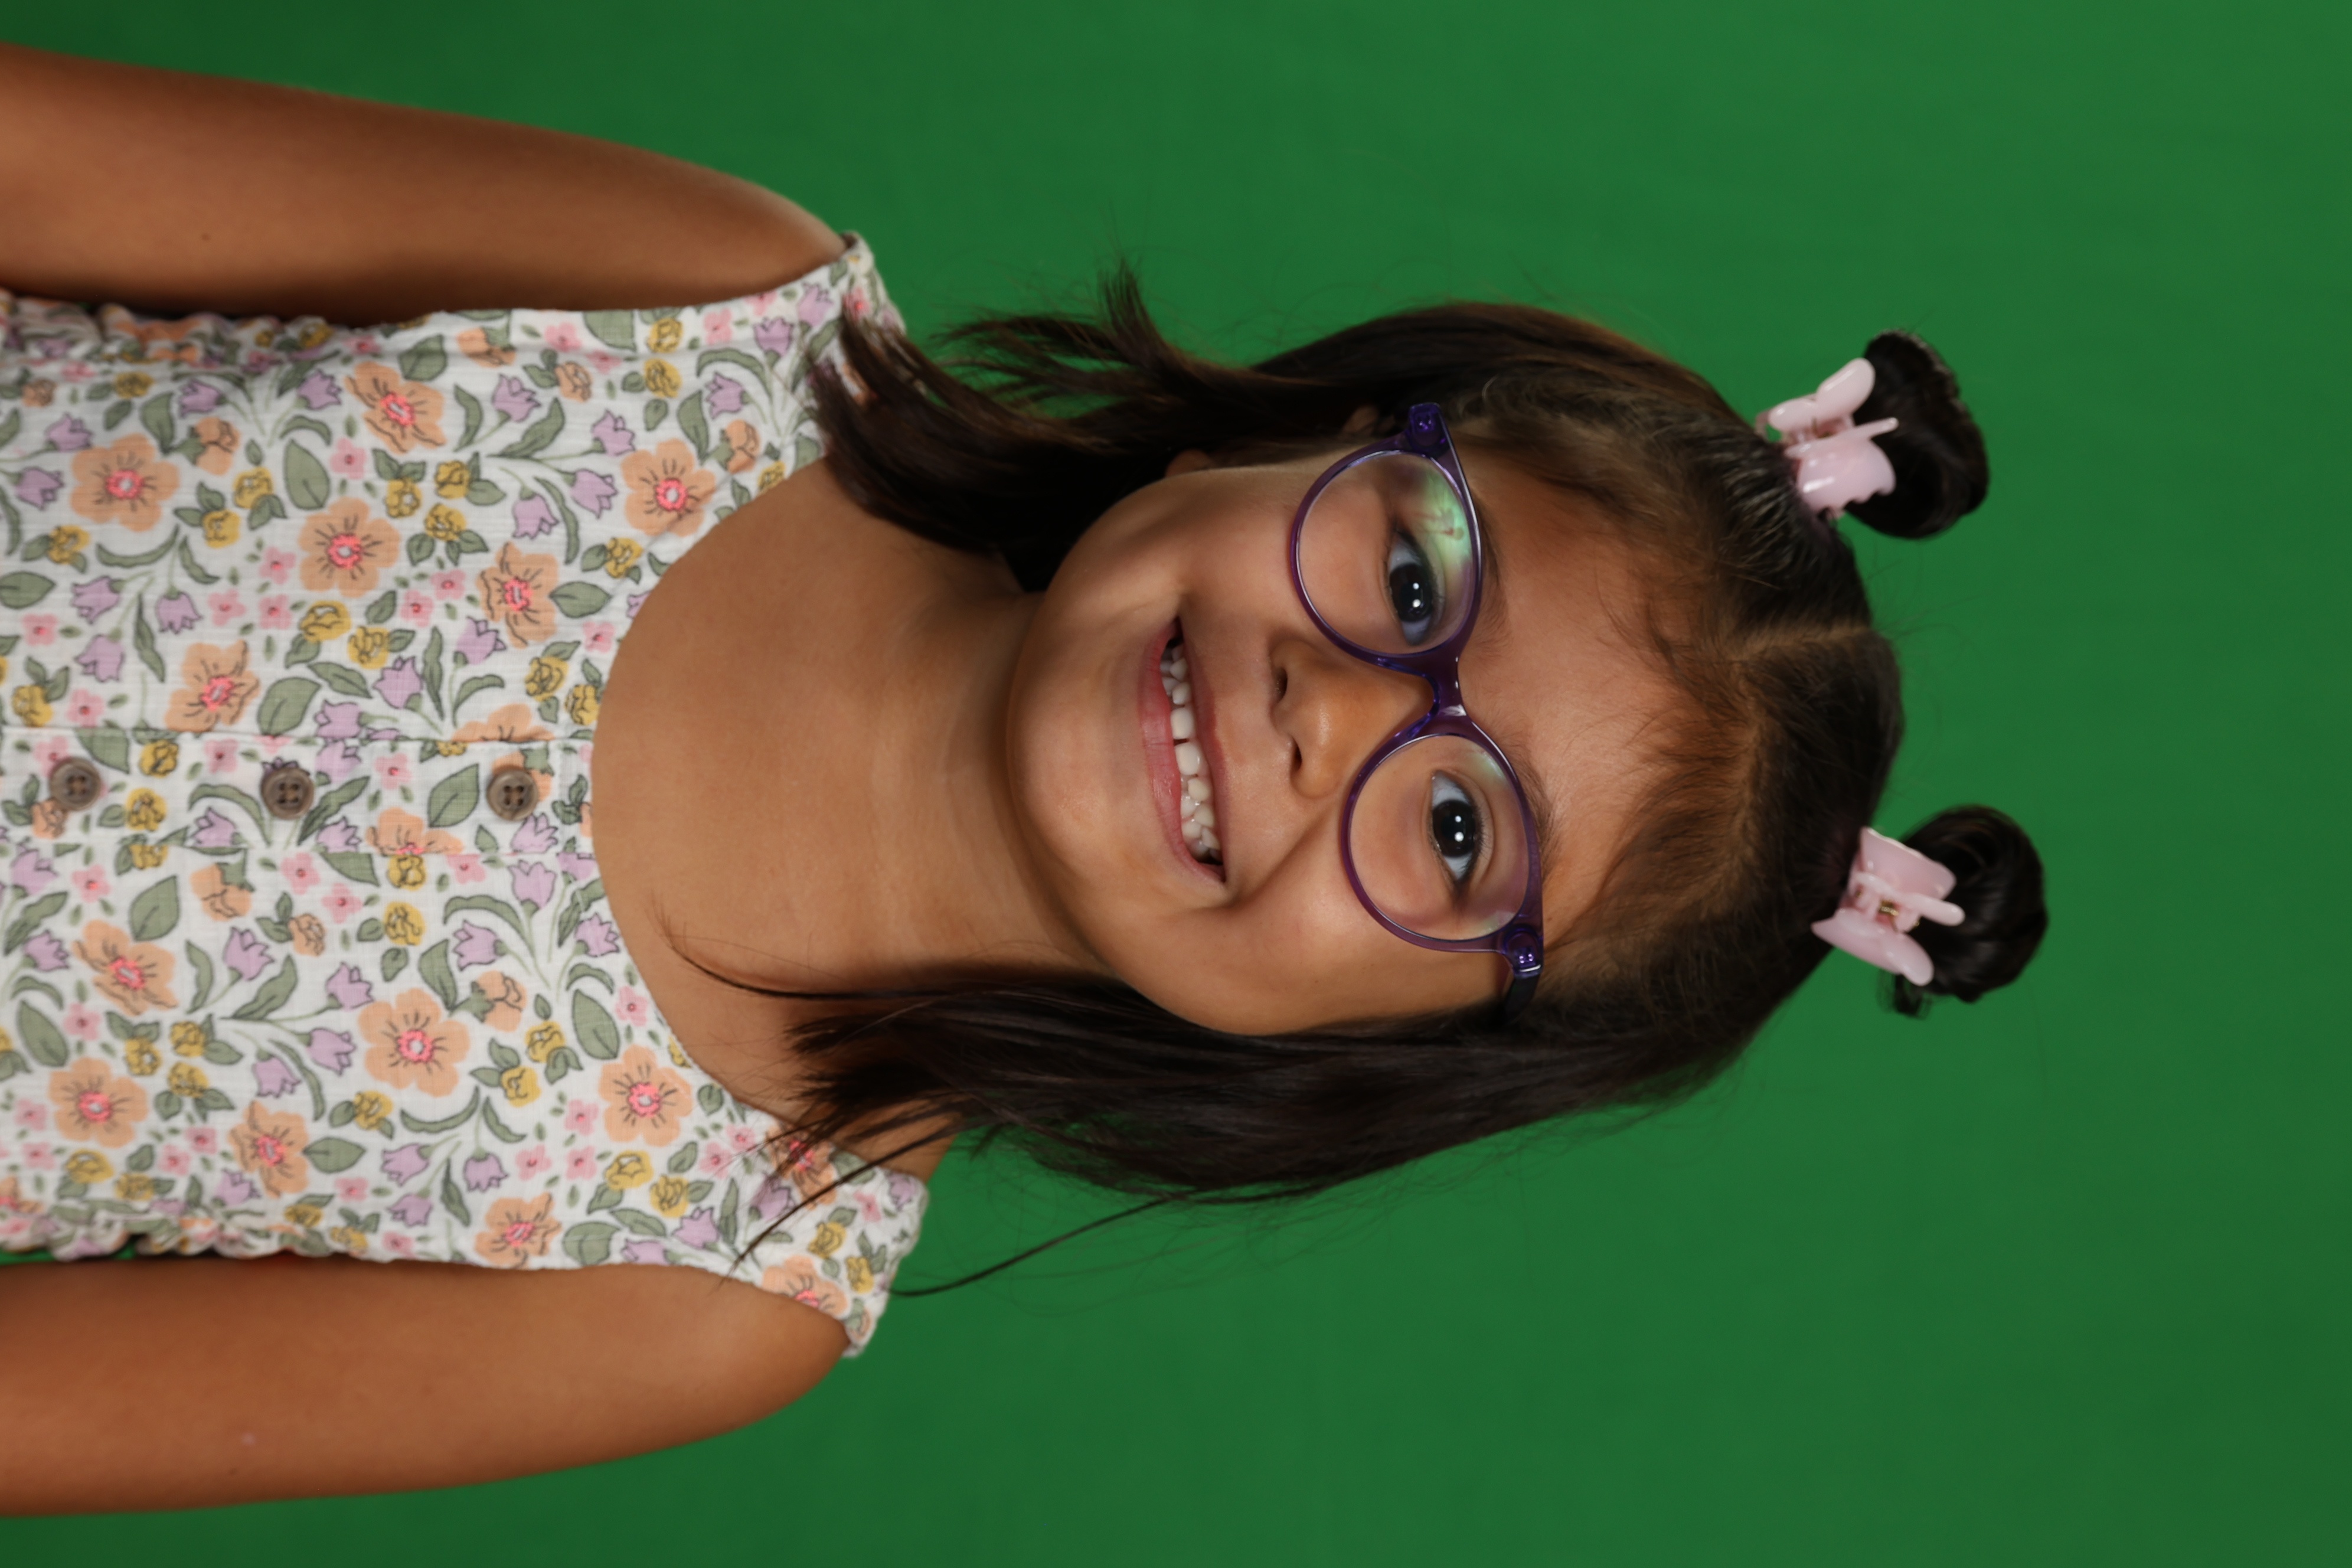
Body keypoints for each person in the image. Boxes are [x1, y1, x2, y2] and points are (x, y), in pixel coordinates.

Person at [0, 42, 2046, 1513]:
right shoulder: (713, 310)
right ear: (1300, 439)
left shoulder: (708, 1288)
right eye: (1414, 575)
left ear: (1391, 1042)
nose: (1331, 712)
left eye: (1455, 832)